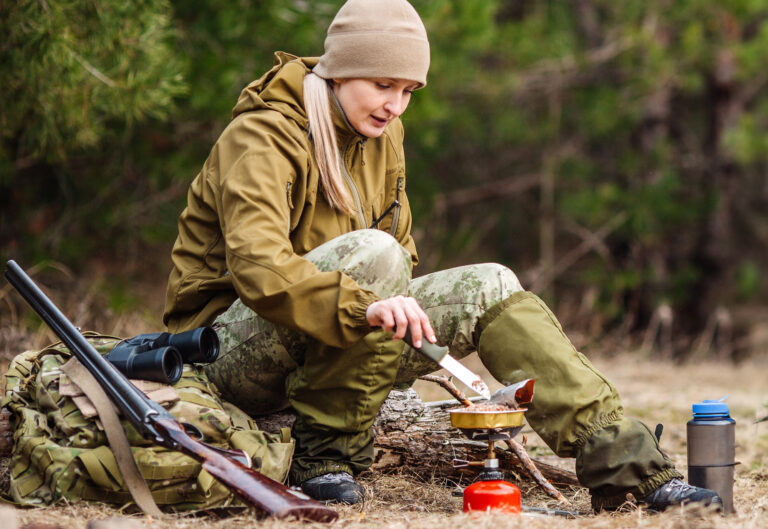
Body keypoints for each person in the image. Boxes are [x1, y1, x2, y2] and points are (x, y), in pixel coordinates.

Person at [162, 0, 721, 511]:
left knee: (489, 283)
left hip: (328, 341)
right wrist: (368, 306)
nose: (394, 105)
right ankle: (325, 457)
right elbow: (258, 270)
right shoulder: (262, 135)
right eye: (383, 84)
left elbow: (401, 254)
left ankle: (631, 466)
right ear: (340, 69)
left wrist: (393, 317)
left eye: (408, 91)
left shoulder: (383, 135)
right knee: (376, 258)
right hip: (219, 353)